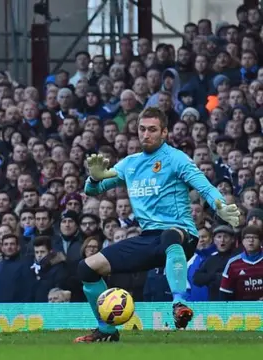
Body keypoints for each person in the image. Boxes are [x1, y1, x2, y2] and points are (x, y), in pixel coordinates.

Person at [76, 107, 240, 343]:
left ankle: (179, 304)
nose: (146, 134)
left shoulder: (176, 159)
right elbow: (93, 191)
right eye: (142, 129)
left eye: (152, 130)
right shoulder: (130, 164)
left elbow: (205, 186)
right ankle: (107, 331)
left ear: (164, 132)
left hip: (182, 236)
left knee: (169, 237)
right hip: (149, 239)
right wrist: (94, 177)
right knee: (86, 268)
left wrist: (220, 205)